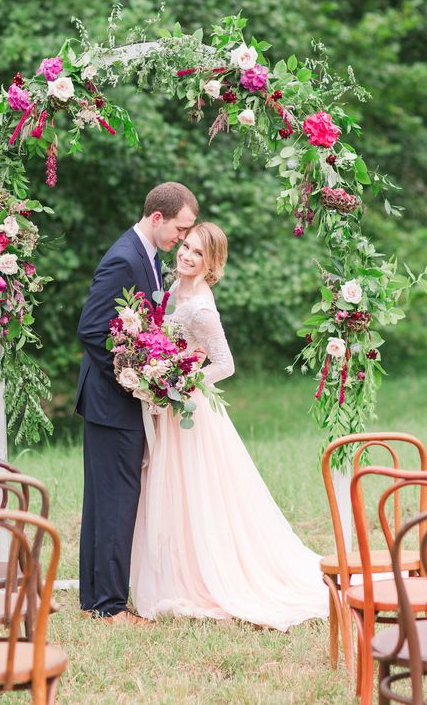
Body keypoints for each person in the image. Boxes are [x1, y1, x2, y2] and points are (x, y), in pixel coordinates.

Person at [130, 222, 329, 630]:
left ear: (212, 262)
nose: (186, 255)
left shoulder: (201, 306)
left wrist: (182, 381)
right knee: (171, 490)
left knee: (195, 492)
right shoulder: (173, 288)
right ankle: (170, 566)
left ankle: (203, 574)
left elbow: (225, 363)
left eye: (197, 253)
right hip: (167, 403)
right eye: (185, 247)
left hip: (188, 407)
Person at [76, 181, 199, 624]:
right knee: (116, 501)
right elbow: (91, 329)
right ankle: (109, 607)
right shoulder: (124, 258)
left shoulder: (146, 256)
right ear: (157, 217)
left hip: (114, 402)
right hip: (113, 401)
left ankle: (95, 599)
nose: (183, 239)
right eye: (181, 229)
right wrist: (135, 379)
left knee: (106, 500)